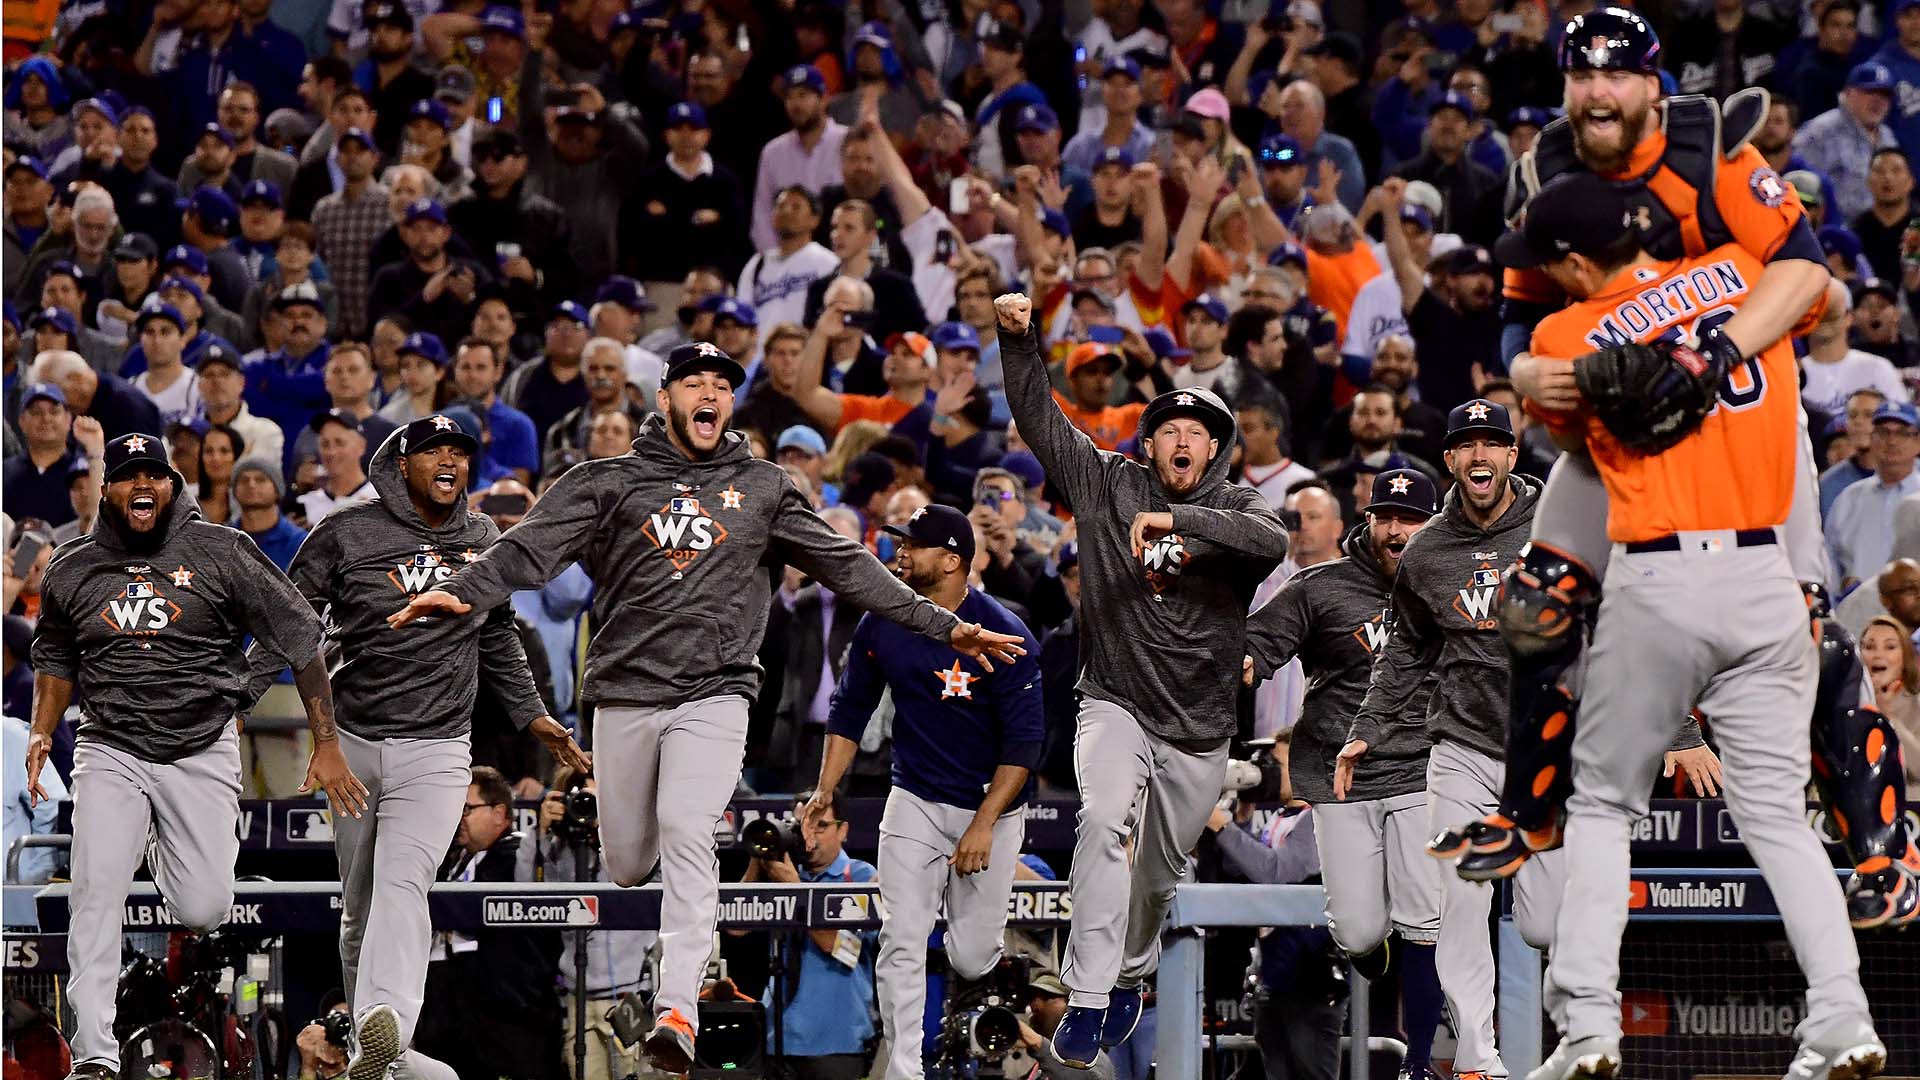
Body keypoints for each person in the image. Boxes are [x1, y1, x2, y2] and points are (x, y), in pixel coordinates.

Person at [388, 340, 1023, 1074]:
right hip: (626, 693)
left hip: (717, 693)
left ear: (730, 404)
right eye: (693, 381)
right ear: (665, 400)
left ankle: (677, 1007)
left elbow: (849, 567)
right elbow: (528, 548)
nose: (709, 393)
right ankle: (657, 872)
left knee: (690, 830)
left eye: (722, 383)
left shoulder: (765, 488)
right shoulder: (607, 482)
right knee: (627, 863)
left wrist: (941, 622)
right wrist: (461, 589)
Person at [1500, 170, 1885, 1080]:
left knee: (1599, 805)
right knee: (1780, 820)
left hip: (1660, 573)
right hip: (1767, 574)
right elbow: (1818, 294)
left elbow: (1562, 441)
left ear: (1572, 260)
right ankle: (1841, 1015)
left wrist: (1533, 367)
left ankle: (1590, 1028)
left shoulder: (1565, 332)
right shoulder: (1749, 269)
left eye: (1551, 263)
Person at [992, 293, 1288, 1068]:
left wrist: (1178, 523)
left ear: (1217, 449)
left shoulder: (1235, 506)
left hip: (1197, 725)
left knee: (1158, 879)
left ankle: (1129, 973)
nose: (1183, 442)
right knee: (1101, 822)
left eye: (1199, 432)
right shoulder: (1107, 484)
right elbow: (1040, 422)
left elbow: (1273, 538)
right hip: (1114, 699)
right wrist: (1017, 341)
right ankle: (1088, 997)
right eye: (1170, 431)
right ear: (1150, 443)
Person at [253, 411, 589, 1080]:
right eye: (434, 449)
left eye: (460, 452)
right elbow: (290, 624)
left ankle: (388, 1027)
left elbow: (496, 634)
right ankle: (373, 1046)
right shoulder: (346, 532)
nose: (450, 461)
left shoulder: (483, 535)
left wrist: (532, 716)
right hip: (352, 742)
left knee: (405, 885)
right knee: (362, 905)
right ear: (399, 463)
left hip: (438, 745)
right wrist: (237, 701)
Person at [26, 432, 347, 1079]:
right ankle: (95, 1056)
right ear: (108, 489)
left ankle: (154, 841)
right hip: (110, 745)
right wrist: (40, 729)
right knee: (94, 894)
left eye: (155, 475)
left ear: (173, 484)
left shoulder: (220, 550)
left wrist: (328, 739)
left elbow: (300, 634)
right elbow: (56, 656)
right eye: (127, 476)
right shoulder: (72, 566)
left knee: (204, 907)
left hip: (199, 747)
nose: (142, 486)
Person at [1344, 401, 1569, 1080]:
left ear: (1511, 454)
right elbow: (1405, 652)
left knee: (1544, 925)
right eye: (1465, 446)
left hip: (1545, 748)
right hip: (1461, 746)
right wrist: (1368, 729)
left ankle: (1574, 1032)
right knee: (1460, 902)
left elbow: (1623, 620)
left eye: (1491, 445)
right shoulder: (1427, 549)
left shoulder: (1559, 522)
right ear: (1450, 461)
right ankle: (1476, 1056)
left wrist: (1676, 731)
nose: (1479, 457)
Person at [809, 503, 1044, 1080]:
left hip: (991, 803)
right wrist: (823, 790)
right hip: (913, 795)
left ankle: (991, 973)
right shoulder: (882, 620)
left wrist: (984, 824)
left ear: (951, 560)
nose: (900, 553)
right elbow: (849, 709)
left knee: (968, 953)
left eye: (912, 545)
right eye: (900, 542)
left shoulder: (1007, 633)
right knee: (902, 937)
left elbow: (1025, 746)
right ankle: (905, 1070)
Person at [1243, 468, 1448, 1077]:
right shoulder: (1320, 587)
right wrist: (1245, 660)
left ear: (1433, 523)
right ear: (1368, 520)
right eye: (1386, 516)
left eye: (1409, 519)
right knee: (1357, 934)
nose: (1396, 530)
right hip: (1339, 779)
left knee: (1427, 923)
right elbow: (1262, 639)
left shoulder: (1453, 583)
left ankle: (1417, 1062)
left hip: (1420, 772)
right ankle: (1371, 938)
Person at [413, 765, 563, 1080]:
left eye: (467, 808)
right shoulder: (453, 860)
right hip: (451, 1016)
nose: (459, 818)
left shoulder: (517, 855)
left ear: (499, 813)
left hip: (507, 1016)